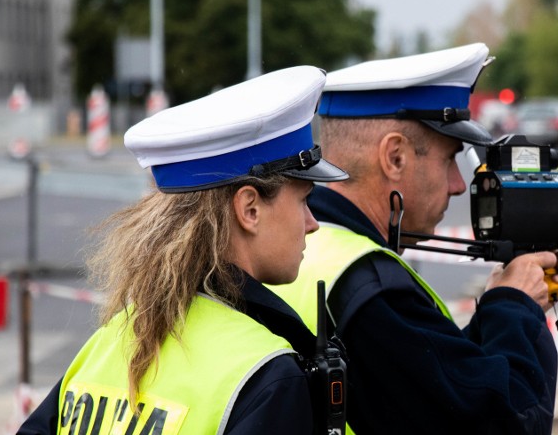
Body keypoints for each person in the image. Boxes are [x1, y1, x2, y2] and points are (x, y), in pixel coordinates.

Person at [18, 66, 349, 435]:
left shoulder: (110, 341)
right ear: (249, 209)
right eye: (304, 199)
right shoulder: (268, 378)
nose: (312, 222)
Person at [270, 43, 558, 434]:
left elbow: (424, 388)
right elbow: (502, 422)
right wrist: (514, 310)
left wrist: (499, 306)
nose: (456, 185)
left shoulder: (301, 250)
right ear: (395, 157)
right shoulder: (373, 292)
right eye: (449, 159)